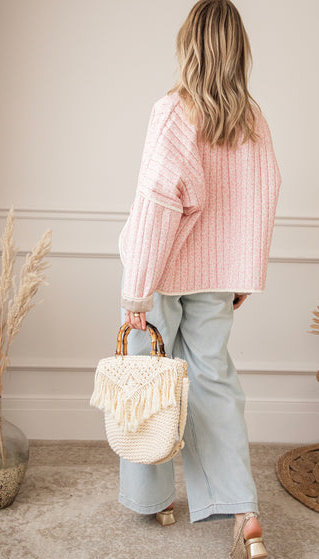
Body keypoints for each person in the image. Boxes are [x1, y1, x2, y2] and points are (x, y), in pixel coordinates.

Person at [118, 1, 281, 557]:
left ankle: (155, 501)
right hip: (217, 278)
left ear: (190, 46)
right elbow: (262, 197)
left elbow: (157, 204)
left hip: (161, 274)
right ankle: (245, 514)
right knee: (214, 382)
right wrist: (242, 275)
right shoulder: (252, 119)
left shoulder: (173, 111)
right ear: (238, 50)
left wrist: (137, 289)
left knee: (148, 384)